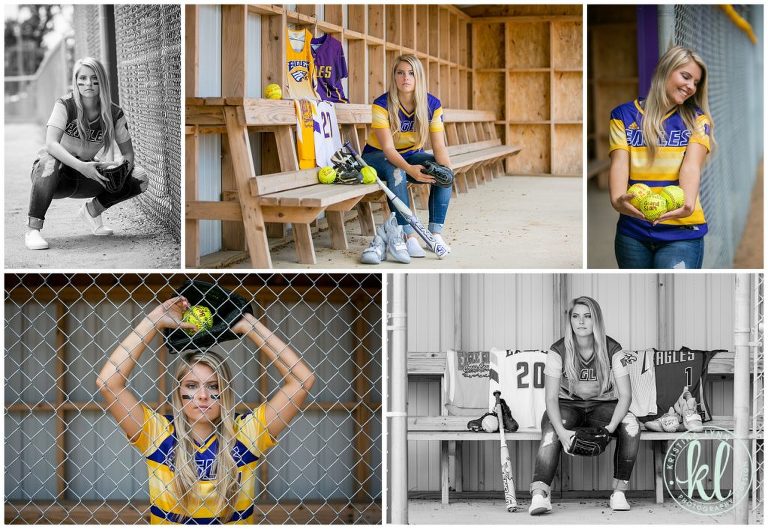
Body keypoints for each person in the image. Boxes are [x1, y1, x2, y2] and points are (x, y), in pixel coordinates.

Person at [96, 296, 316, 524]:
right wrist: (154, 321)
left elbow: (302, 380)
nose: (203, 396)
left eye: (214, 386)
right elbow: (108, 383)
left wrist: (249, 326)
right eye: (192, 386)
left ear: (226, 392)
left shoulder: (248, 432)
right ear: (178, 392)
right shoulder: (157, 432)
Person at [529, 296, 639, 515]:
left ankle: (619, 492)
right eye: (576, 316)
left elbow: (625, 395)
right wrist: (562, 433)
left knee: (631, 424)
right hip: (567, 405)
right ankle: (540, 495)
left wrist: (610, 428)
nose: (581, 322)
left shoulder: (613, 349)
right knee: (552, 428)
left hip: (602, 406)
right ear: (570, 320)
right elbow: (550, 398)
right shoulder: (558, 350)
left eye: (587, 316)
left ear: (596, 320)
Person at [25, 57, 149, 250]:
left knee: (139, 177)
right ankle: (33, 230)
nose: (88, 83)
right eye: (82, 78)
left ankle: (92, 212)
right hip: (56, 177)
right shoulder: (65, 104)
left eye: (94, 78)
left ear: (102, 81)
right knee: (49, 161)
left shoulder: (114, 113)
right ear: (75, 80)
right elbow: (50, 144)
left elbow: (128, 155)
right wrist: (82, 167)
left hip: (89, 174)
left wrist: (120, 170)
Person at [608, 46, 715, 269]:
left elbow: (691, 167)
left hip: (682, 231)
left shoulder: (697, 120)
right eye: (685, 76)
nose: (690, 87)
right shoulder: (623, 116)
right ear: (665, 71)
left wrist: (687, 205)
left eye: (695, 82)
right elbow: (619, 163)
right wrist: (618, 199)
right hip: (633, 231)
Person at [362, 54, 453, 261]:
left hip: (410, 154)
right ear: (394, 76)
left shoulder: (432, 104)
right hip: (377, 156)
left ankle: (435, 234)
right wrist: (410, 170)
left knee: (441, 170)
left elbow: (439, 145)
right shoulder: (381, 104)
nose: (406, 78)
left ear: (418, 77)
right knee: (396, 170)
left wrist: (447, 172)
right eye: (400, 73)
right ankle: (409, 234)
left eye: (411, 73)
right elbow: (388, 148)